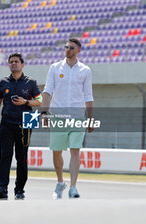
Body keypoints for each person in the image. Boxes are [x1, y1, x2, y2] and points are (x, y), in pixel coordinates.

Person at [42, 38, 94, 199]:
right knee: (57, 152)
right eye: (66, 47)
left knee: (75, 150)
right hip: (58, 115)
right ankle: (60, 182)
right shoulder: (55, 68)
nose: (67, 49)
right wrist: (44, 113)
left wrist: (90, 118)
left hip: (78, 115)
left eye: (71, 47)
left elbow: (88, 95)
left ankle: (73, 187)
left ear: (78, 50)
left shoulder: (85, 70)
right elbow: (47, 91)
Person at [0, 53, 42, 200]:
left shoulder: (31, 82)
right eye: (11, 62)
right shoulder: (3, 82)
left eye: (16, 61)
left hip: (27, 121)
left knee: (22, 157)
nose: (13, 64)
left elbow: (40, 101)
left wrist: (25, 102)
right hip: (6, 122)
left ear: (22, 64)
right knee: (4, 156)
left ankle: (20, 189)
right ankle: (1, 187)